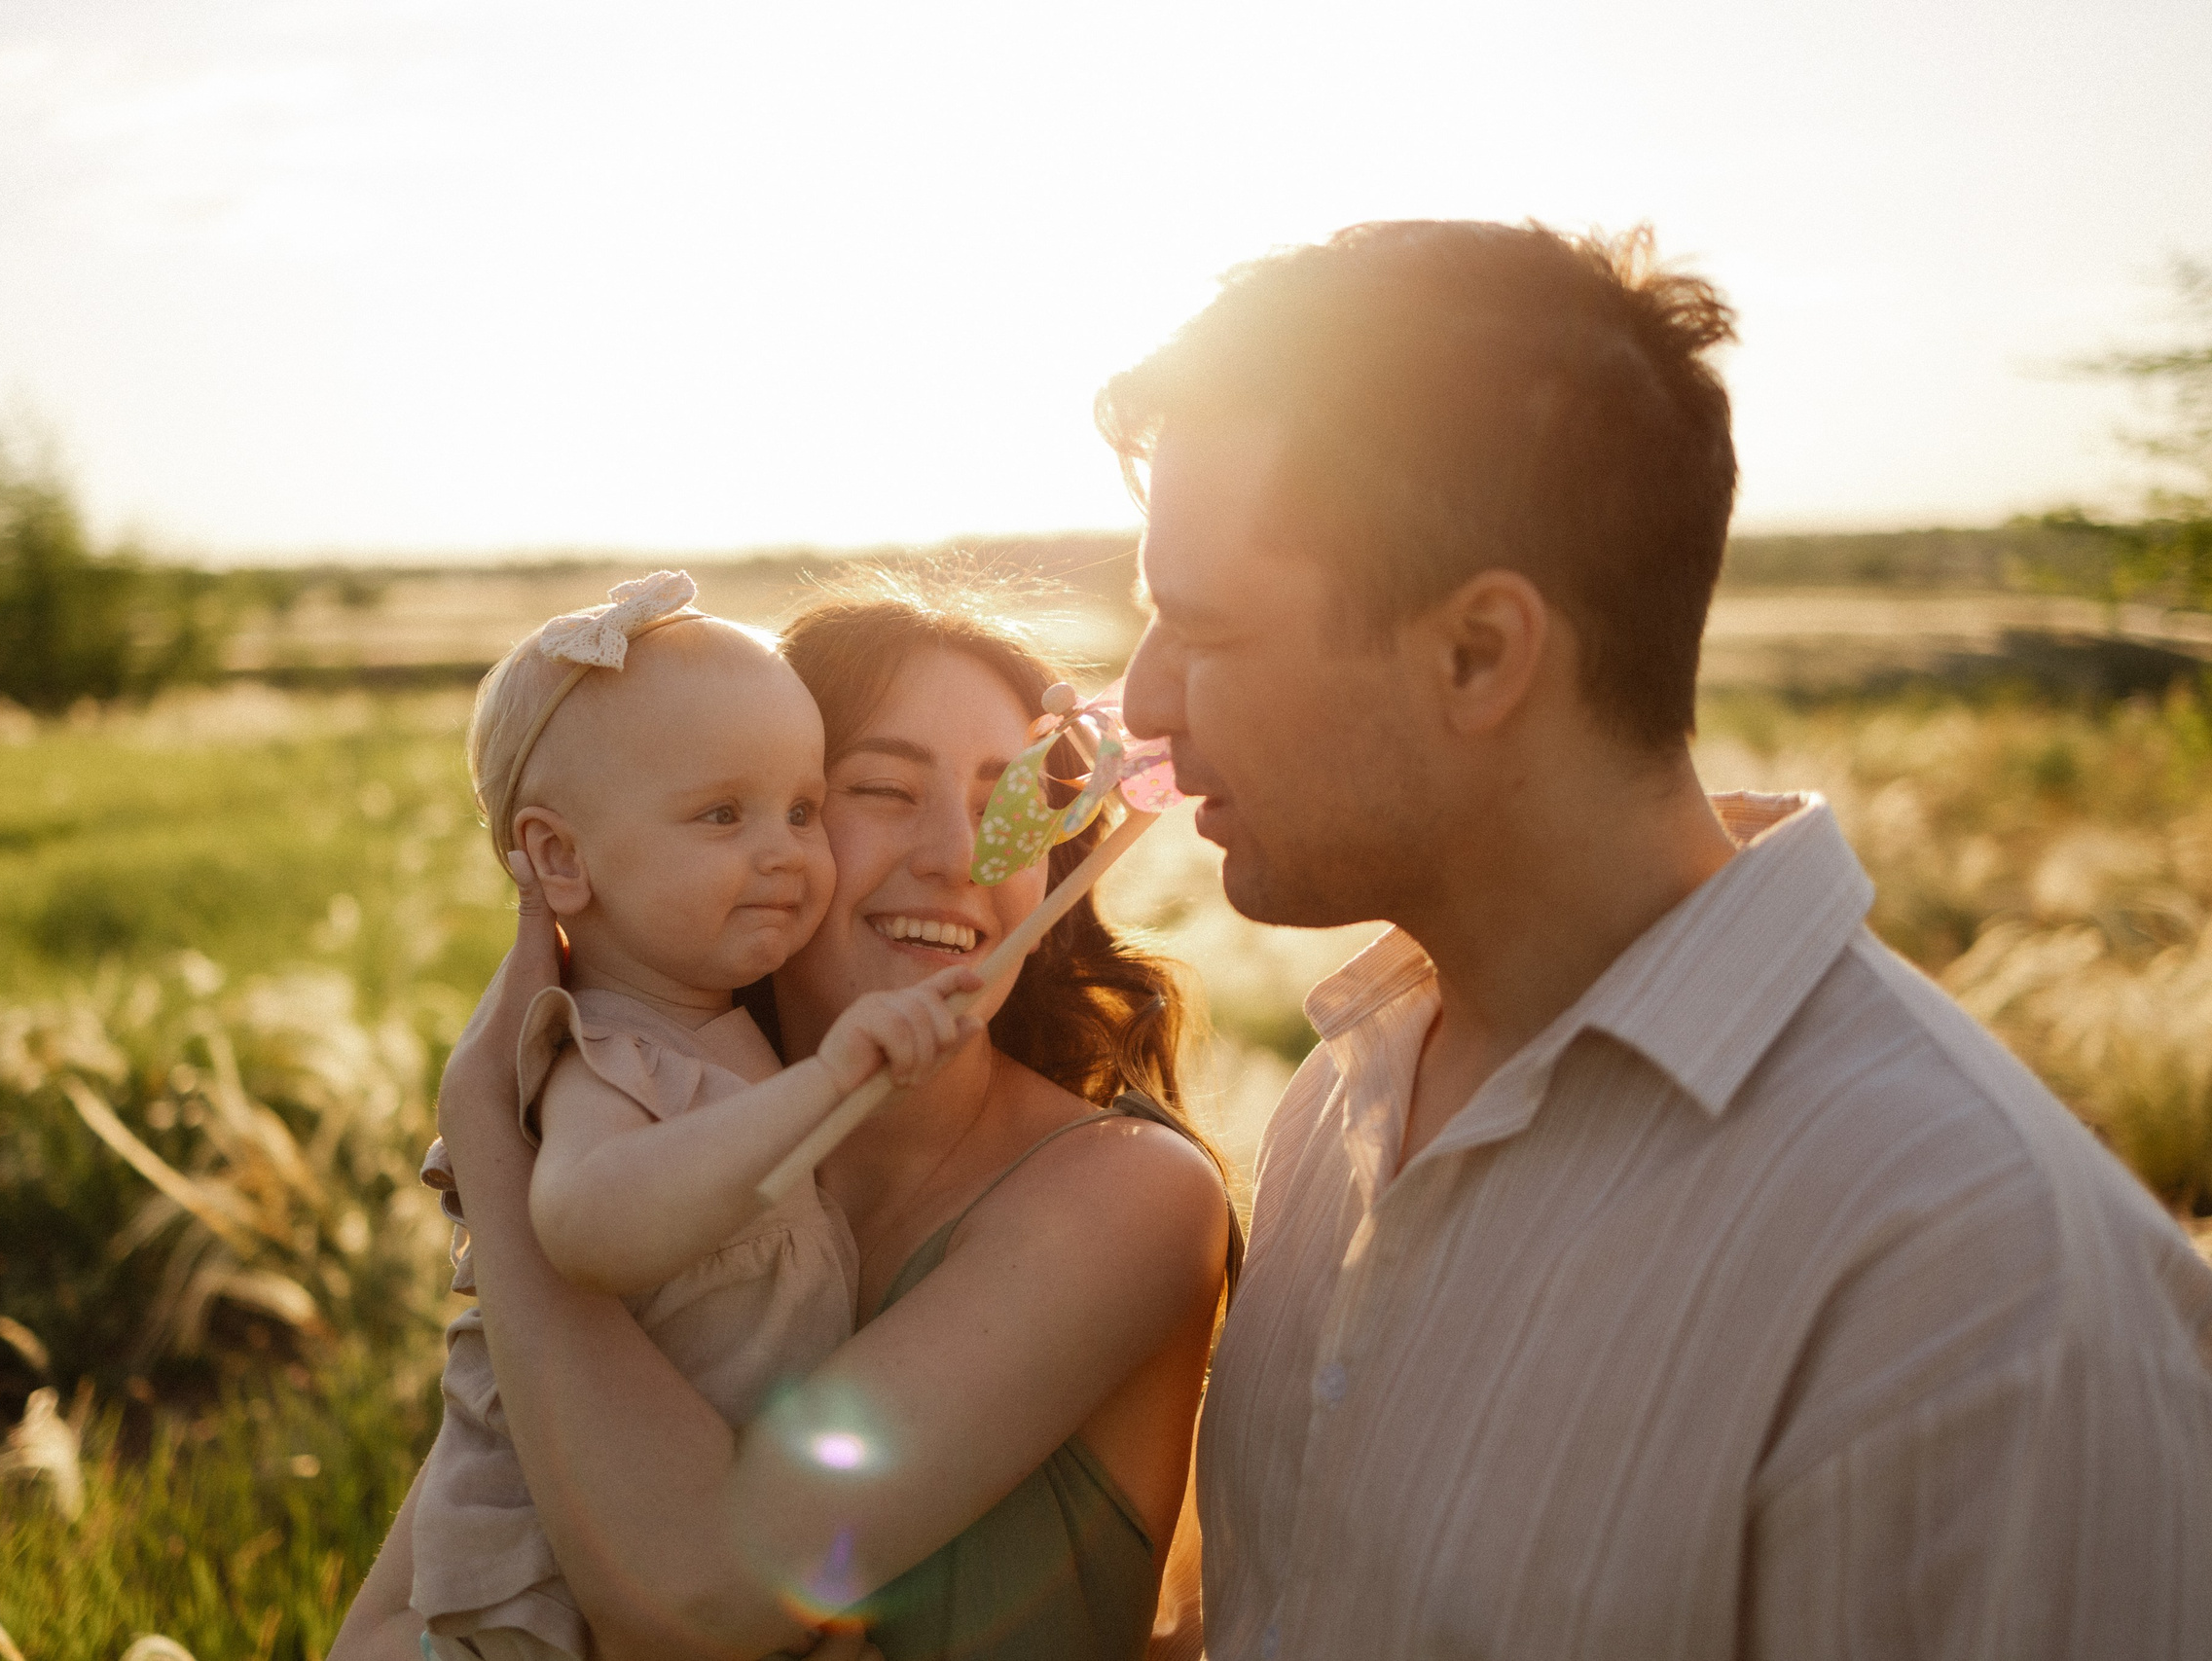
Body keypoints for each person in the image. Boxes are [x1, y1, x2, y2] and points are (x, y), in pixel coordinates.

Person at [1103, 218, 2212, 1657]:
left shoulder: (1976, 1282)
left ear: (1479, 653)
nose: (1143, 703)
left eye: (1204, 631)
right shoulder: (1346, 1095)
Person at [345, 571, 1237, 1660]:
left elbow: (702, 1596)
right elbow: (385, 1628)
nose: (960, 854)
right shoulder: (659, 1142)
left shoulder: (1129, 1195)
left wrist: (489, 1137)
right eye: (882, 790)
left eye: (1013, 799)